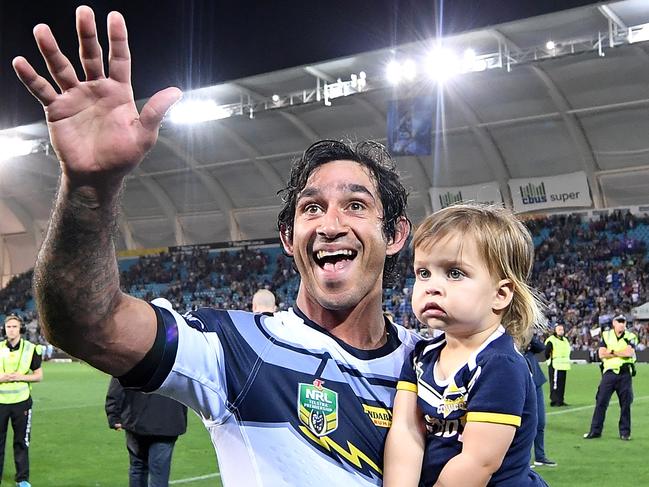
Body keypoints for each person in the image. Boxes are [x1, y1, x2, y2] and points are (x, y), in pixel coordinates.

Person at [14, 7, 417, 486]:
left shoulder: (435, 363)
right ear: (288, 239)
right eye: (311, 208)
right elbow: (88, 325)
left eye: (355, 205)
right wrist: (89, 188)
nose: (329, 224)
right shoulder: (233, 350)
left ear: (394, 235)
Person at [383, 204, 548, 487]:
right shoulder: (420, 357)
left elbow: (478, 463)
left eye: (455, 273)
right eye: (423, 273)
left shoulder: (499, 365)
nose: (431, 286)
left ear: (500, 294)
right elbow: (406, 431)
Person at [105, 377, 188, 487]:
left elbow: (119, 377)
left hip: (136, 419)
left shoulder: (135, 358)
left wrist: (113, 414)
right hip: (168, 420)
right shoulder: (177, 359)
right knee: (159, 472)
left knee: (138, 467)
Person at [0, 315, 43, 487]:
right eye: (8, 326)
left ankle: (22, 479)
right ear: (4, 329)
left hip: (22, 402)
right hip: (1, 402)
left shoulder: (31, 349)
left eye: (14, 326)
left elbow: (39, 376)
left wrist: (20, 377)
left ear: (21, 329)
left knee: (21, 442)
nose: (11, 329)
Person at [584, 314, 638, 441]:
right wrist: (619, 353)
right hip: (609, 373)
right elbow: (601, 354)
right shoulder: (606, 335)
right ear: (614, 323)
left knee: (625, 404)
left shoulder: (631, 336)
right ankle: (595, 431)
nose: (622, 324)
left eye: (623, 322)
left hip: (625, 373)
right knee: (601, 401)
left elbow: (629, 353)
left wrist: (611, 352)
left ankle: (625, 432)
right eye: (619, 321)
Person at [524, 335, 556, 468]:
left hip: (536, 383)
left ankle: (540, 456)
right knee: (524, 424)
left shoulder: (528, 339)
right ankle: (523, 460)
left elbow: (541, 348)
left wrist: (529, 338)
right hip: (520, 385)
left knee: (540, 422)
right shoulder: (508, 339)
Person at [544, 323, 571, 406]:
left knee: (562, 384)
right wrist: (550, 359)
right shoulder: (551, 340)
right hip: (555, 365)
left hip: (564, 365)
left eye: (562, 329)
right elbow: (547, 352)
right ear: (555, 330)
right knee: (555, 384)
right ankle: (554, 400)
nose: (561, 331)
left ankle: (560, 399)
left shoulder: (565, 340)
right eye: (559, 329)